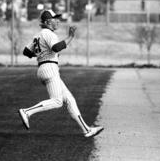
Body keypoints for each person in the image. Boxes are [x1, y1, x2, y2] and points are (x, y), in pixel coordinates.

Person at [18, 9, 103, 138]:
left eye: (58, 18)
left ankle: (86, 130)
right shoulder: (48, 33)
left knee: (69, 99)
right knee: (57, 101)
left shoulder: (39, 35)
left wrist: (41, 53)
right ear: (47, 22)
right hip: (50, 68)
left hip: (44, 68)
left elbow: (26, 52)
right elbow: (56, 48)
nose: (58, 20)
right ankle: (27, 112)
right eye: (55, 18)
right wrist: (70, 37)